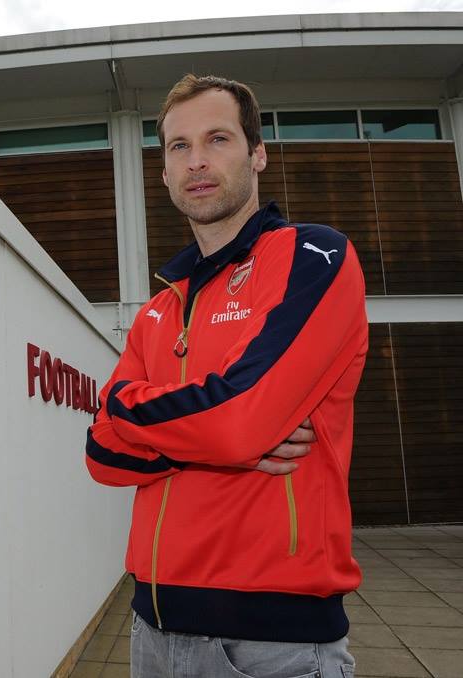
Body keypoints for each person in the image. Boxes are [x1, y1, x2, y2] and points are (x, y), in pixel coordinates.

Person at [85, 74, 367, 678]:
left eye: (217, 138)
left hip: (273, 643)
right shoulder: (160, 308)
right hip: (153, 629)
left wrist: (135, 413)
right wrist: (211, 439)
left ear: (257, 152)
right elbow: (99, 452)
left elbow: (238, 419)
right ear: (163, 172)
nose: (198, 161)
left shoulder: (315, 257)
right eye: (179, 147)